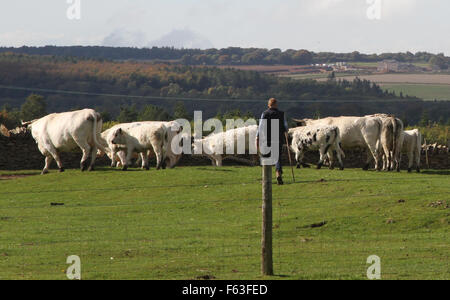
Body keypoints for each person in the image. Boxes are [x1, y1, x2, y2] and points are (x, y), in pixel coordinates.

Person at [256, 98, 289, 185]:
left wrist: (257, 136)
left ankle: (266, 179)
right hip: (278, 138)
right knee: (277, 158)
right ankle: (278, 174)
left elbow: (260, 126)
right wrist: (286, 132)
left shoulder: (265, 113)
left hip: (266, 138)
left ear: (268, 105)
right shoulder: (282, 114)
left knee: (266, 157)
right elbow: (286, 126)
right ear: (276, 104)